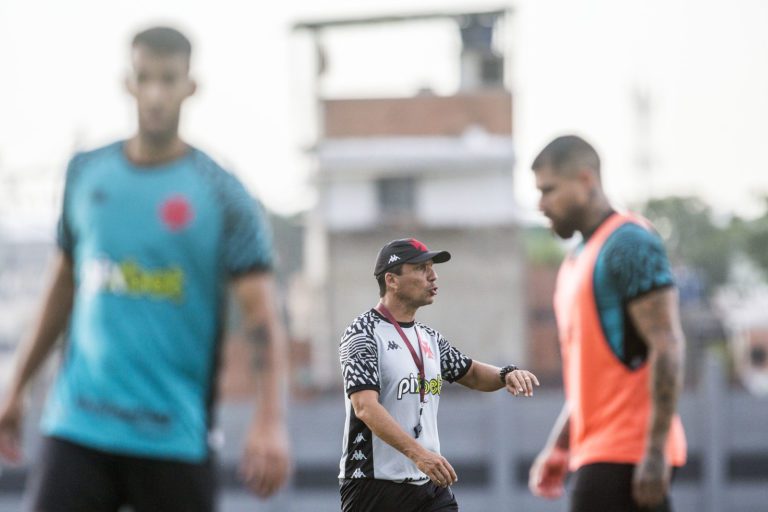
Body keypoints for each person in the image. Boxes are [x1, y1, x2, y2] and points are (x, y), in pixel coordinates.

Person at [0, 26, 290, 512]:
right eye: (145, 78)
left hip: (173, 436)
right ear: (128, 83)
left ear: (189, 86)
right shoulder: (85, 173)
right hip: (78, 427)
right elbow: (61, 290)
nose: (155, 93)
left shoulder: (225, 196)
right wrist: (15, 388)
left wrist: (270, 419)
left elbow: (262, 318)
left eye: (168, 79)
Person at [527, 135, 687, 512]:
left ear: (585, 180)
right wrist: (560, 445)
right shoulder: (574, 262)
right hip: (596, 450)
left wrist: (654, 452)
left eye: (549, 190)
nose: (541, 204)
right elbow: (594, 375)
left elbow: (668, 343)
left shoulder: (629, 242)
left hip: (628, 453)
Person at [338, 237, 539, 512]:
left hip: (428, 483)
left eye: (432, 267)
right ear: (392, 280)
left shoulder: (429, 338)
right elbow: (365, 407)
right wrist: (420, 455)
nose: (433, 276)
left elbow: (473, 374)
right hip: (374, 485)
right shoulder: (362, 333)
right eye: (421, 268)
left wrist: (507, 375)